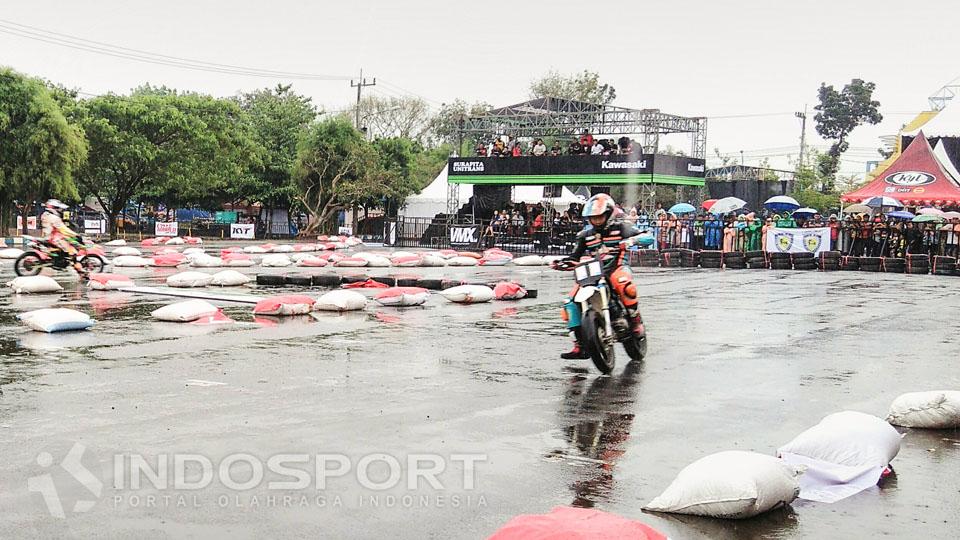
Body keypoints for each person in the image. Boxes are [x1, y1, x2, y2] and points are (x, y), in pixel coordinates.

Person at [553, 193, 646, 359]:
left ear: (608, 214)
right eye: (593, 217)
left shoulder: (621, 227)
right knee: (570, 303)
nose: (596, 220)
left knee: (624, 284)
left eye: (599, 216)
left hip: (617, 267)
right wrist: (562, 263)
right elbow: (574, 256)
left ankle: (635, 320)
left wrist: (631, 241)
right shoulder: (585, 236)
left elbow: (647, 236)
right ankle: (579, 345)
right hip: (593, 273)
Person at [40, 199, 86, 276]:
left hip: (49, 236)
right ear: (54, 208)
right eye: (59, 208)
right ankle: (80, 270)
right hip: (54, 239)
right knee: (72, 251)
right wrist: (75, 235)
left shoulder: (45, 215)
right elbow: (63, 229)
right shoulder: (54, 218)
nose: (60, 210)